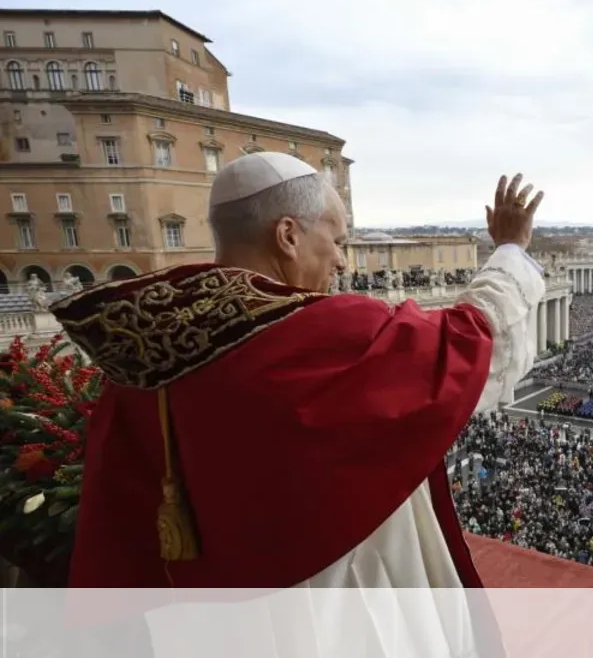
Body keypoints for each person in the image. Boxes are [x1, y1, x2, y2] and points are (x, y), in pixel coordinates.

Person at [51, 153, 546, 649]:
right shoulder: (320, 334)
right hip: (329, 611)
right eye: (336, 241)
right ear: (288, 236)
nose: (341, 261)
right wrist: (509, 250)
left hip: (199, 624)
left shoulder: (142, 356)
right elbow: (474, 341)